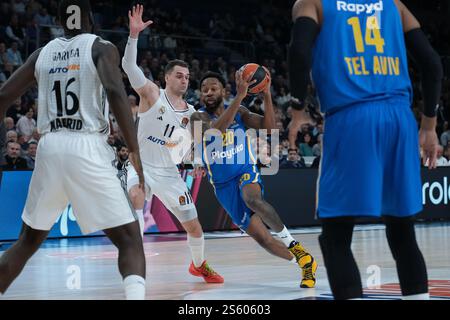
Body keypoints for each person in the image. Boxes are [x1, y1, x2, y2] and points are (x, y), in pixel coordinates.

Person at [288, 0, 443, 299]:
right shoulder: (394, 5)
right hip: (399, 117)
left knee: (336, 235)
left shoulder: (313, 4)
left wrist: (297, 108)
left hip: (351, 117)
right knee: (402, 229)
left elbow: (299, 51)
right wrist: (429, 125)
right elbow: (432, 63)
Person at [0, 0, 147, 300]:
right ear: (90, 20)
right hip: (87, 144)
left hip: (50, 146)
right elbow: (116, 92)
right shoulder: (100, 46)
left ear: (60, 21)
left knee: (27, 240)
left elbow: (3, 96)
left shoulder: (42, 53)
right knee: (130, 240)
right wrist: (134, 148)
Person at [121, 5, 223, 284]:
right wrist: (133, 35)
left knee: (195, 227)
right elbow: (128, 67)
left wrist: (199, 161)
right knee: (137, 198)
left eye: (187, 77)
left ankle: (199, 265)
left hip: (168, 173)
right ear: (166, 77)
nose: (184, 79)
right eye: (179, 75)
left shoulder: (191, 113)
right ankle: (135, 258)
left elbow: (191, 146)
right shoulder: (152, 94)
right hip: (139, 163)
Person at [191, 71, 317, 288]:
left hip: (245, 170)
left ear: (223, 91)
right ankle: (305, 261)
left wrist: (267, 95)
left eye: (213, 88)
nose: (208, 93)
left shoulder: (240, 112)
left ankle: (293, 246)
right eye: (204, 90)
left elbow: (270, 129)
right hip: (223, 186)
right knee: (264, 239)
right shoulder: (198, 117)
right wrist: (239, 97)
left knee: (252, 199)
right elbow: (215, 133)